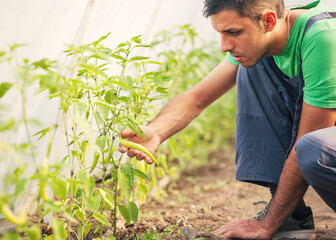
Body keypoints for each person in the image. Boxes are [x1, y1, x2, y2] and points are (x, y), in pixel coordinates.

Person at [119, 0, 336, 239]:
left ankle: (278, 219)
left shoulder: (322, 37)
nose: (224, 46)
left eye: (233, 32)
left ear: (269, 20)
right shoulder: (261, 41)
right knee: (251, 68)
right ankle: (292, 217)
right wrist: (156, 131)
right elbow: (197, 97)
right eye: (221, 33)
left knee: (311, 149)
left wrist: (266, 225)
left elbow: (309, 137)